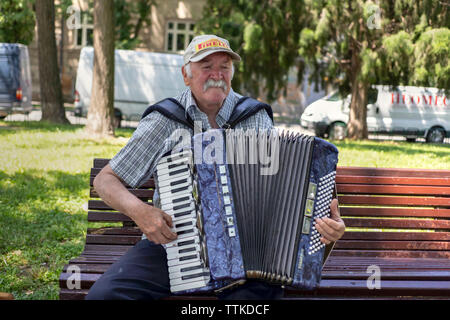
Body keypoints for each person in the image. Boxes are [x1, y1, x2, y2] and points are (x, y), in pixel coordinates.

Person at [86, 34, 345, 300]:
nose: (217, 74)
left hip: (247, 260)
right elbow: (105, 180)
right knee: (105, 297)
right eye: (206, 66)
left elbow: (286, 197)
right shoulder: (164, 120)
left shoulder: (254, 117)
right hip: (172, 246)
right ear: (186, 75)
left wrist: (325, 226)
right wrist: (140, 211)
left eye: (224, 66)